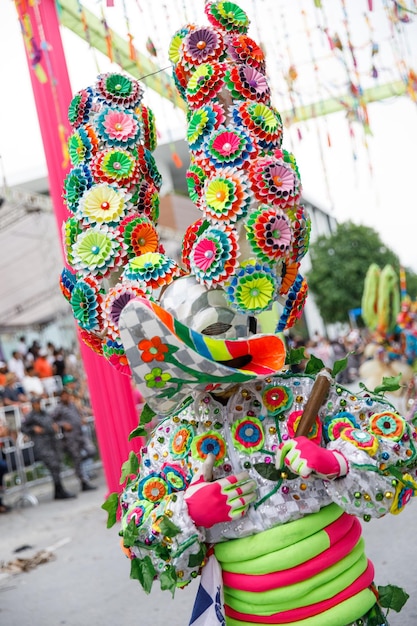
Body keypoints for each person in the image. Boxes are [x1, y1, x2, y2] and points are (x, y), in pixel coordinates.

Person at [21, 398, 76, 500]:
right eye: (35, 403)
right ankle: (59, 490)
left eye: (38, 402)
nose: (37, 404)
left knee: (57, 465)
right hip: (42, 444)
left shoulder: (45, 413)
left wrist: (54, 426)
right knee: (53, 465)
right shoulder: (30, 416)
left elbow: (52, 421)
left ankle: (58, 491)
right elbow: (23, 427)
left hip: (52, 442)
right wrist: (33, 429)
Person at [50, 389, 97, 492]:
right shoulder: (59, 408)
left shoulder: (72, 405)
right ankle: (83, 481)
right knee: (76, 457)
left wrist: (82, 419)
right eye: (64, 396)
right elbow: (52, 420)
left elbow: (78, 414)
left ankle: (80, 461)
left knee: (91, 450)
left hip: (80, 433)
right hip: (70, 437)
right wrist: (62, 424)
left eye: (67, 395)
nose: (66, 397)